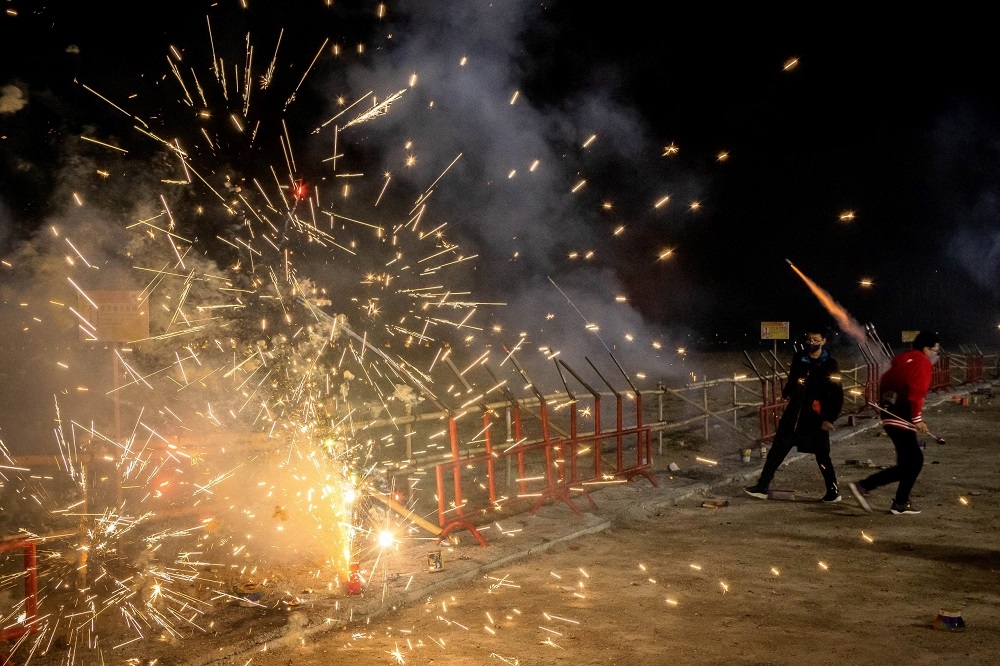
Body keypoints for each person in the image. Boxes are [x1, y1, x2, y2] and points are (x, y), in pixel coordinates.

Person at [745, 327, 845, 502]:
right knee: (777, 449)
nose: (812, 343)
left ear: (823, 341)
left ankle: (833, 491)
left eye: (816, 340)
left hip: (815, 417)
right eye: (809, 339)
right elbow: (792, 379)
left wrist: (829, 418)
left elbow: (837, 394)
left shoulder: (830, 364)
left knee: (822, 454)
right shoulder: (800, 358)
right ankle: (762, 486)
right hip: (794, 415)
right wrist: (788, 391)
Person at [848, 331, 941, 515]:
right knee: (913, 463)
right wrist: (917, 420)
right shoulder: (922, 362)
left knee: (910, 461)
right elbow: (916, 393)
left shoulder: (902, 361)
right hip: (903, 417)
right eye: (935, 349)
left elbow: (884, 382)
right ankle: (864, 486)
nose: (936, 353)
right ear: (925, 348)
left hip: (889, 414)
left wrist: (886, 406)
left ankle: (900, 502)